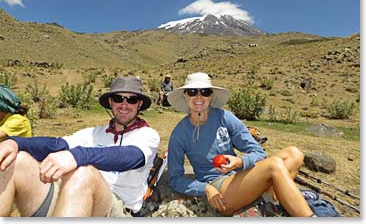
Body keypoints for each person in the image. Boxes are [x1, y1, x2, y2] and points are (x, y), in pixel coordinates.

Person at [0, 76, 160, 217]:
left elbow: (131, 156)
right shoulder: (93, 133)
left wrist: (77, 156)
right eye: (118, 98)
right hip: (70, 199)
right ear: (111, 102)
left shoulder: (147, 135)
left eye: (131, 100)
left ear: (139, 104)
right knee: (16, 159)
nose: (124, 105)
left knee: (85, 173)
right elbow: (57, 144)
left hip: (116, 209)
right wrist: (15, 142)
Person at [167, 72, 314, 217]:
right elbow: (175, 179)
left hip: (238, 177)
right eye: (192, 92)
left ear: (211, 96)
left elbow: (258, 152)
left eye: (205, 92)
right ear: (185, 96)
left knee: (294, 154)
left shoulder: (224, 117)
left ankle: (268, 199)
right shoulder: (179, 134)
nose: (199, 97)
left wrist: (240, 162)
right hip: (218, 188)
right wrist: (205, 188)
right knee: (274, 164)